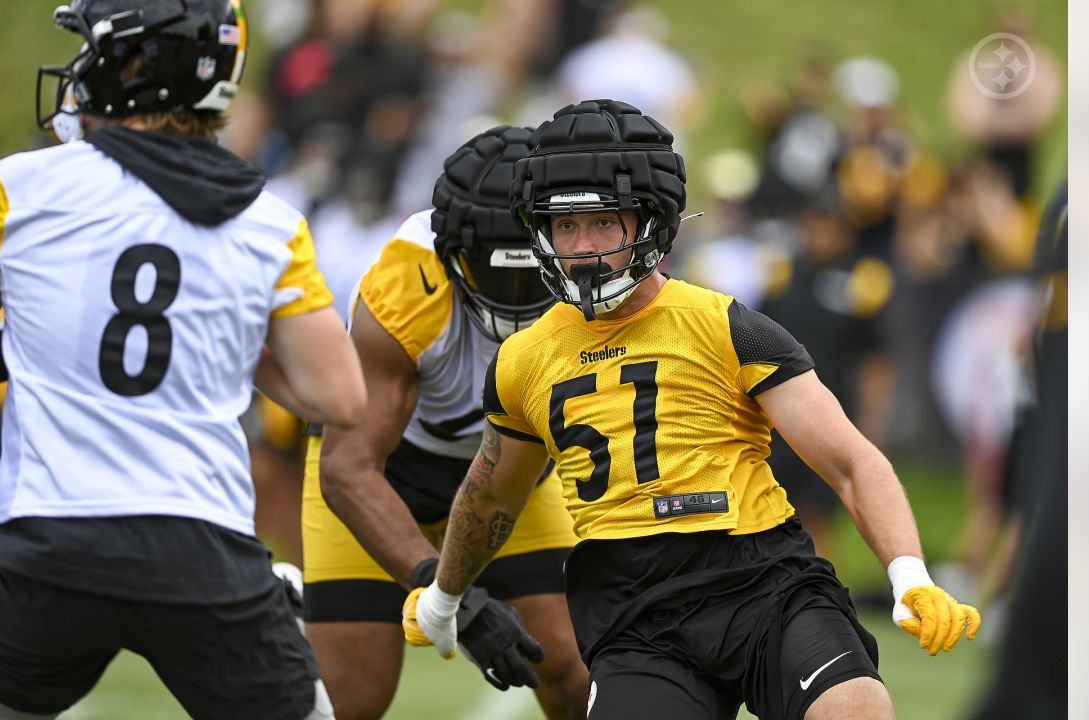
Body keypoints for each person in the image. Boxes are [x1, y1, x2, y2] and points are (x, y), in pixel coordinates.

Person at [403, 100, 980, 720]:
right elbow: (491, 497)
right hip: (634, 612)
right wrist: (442, 594)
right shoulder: (525, 359)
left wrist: (909, 573)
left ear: (650, 221)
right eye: (563, 225)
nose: (581, 246)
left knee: (857, 711)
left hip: (763, 580)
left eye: (603, 224)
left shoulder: (726, 326)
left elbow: (850, 461)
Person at [0, 2, 365, 718]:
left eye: (97, 51)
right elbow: (338, 396)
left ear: (135, 67)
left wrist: (26, 342)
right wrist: (218, 335)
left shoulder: (21, 189)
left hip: (52, 546)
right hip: (202, 550)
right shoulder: (269, 220)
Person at [302, 126, 590, 719]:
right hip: (388, 480)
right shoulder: (406, 286)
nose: (515, 297)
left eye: (529, 272)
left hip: (512, 479)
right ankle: (285, 623)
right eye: (496, 274)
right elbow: (348, 468)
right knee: (351, 701)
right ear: (453, 254)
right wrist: (450, 592)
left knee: (572, 664)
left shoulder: (594, 267)